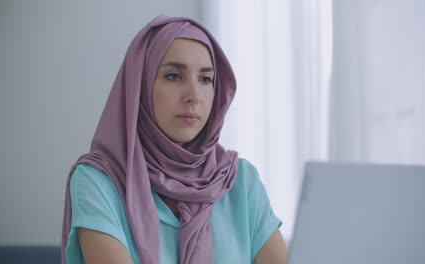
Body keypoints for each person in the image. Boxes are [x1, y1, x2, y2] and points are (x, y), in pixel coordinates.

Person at [61, 15, 288, 264]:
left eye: (205, 79)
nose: (194, 96)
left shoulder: (240, 181)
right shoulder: (99, 181)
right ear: (140, 85)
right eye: (173, 76)